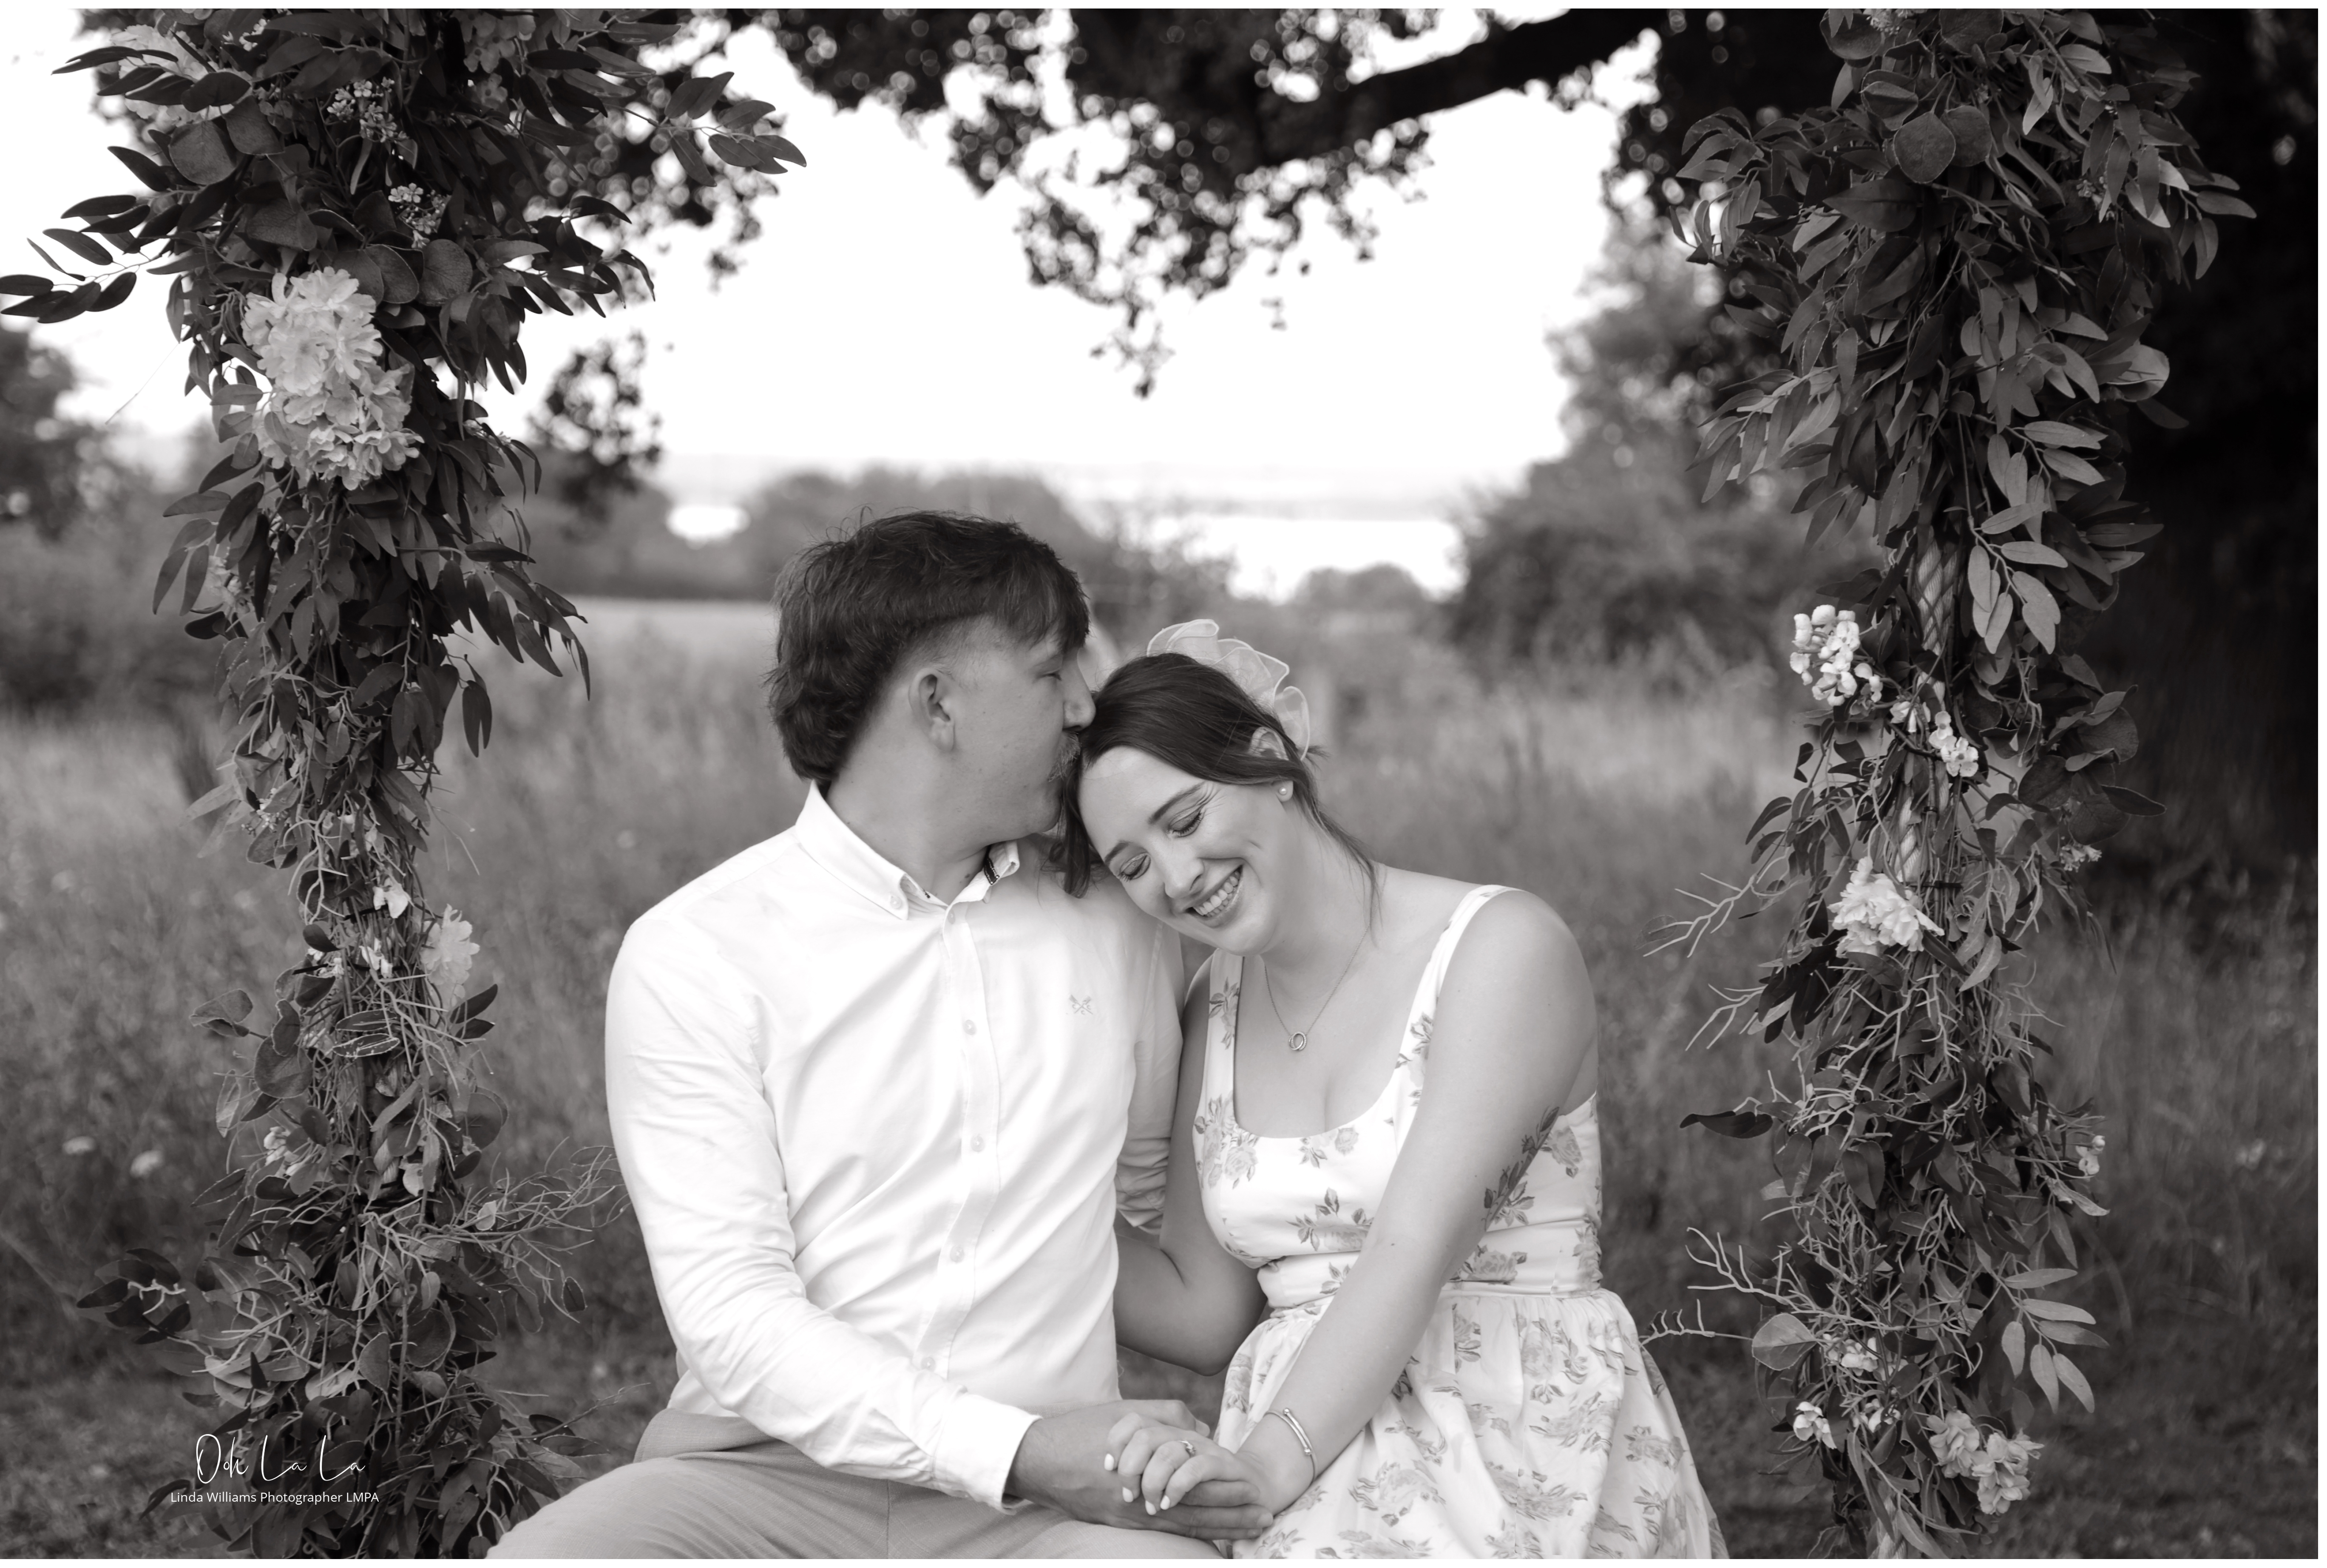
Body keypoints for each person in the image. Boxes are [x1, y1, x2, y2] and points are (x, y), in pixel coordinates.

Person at [492, 518, 1271, 1557]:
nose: (1088, 705)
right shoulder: (699, 953)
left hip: (1044, 1516)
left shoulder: (1118, 922)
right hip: (759, 1483)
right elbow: (733, 1317)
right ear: (938, 703)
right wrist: (1018, 1446)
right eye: (1052, 672)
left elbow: (1147, 1205)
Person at [1064, 623, 1725, 1558]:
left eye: (1183, 820)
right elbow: (1199, 1312)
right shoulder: (1213, 1003)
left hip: (1509, 1431)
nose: (1174, 878)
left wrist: (1264, 1470)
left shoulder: (1500, 950)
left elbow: (1410, 1249)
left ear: (1270, 762)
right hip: (1304, 1456)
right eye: (1131, 864)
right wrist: (1009, 1194)